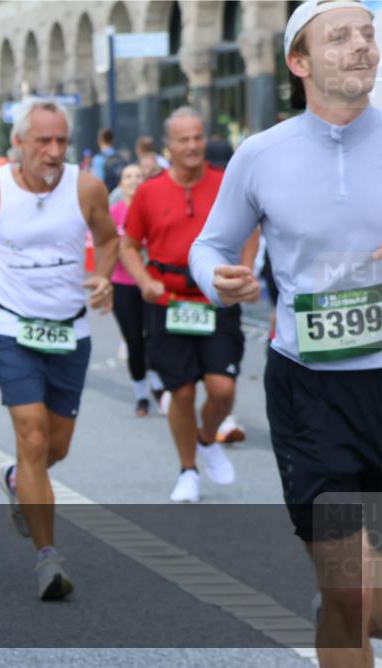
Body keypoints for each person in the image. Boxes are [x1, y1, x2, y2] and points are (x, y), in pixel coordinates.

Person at [190, 2, 381, 665]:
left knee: (362, 600)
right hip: (311, 392)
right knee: (356, 595)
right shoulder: (262, 154)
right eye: (340, 37)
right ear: (299, 62)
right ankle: (340, 603)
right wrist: (217, 277)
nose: (361, 45)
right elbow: (212, 244)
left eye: (368, 33)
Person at [0, 98, 118, 600]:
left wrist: (104, 276)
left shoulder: (86, 188)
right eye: (43, 141)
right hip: (12, 329)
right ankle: (48, 558)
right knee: (33, 434)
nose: (54, 151)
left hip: (70, 333)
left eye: (62, 140)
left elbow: (110, 239)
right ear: (18, 143)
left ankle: (16, 479)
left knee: (54, 448)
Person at [120, 106, 258, 503]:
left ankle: (206, 438)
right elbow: (129, 245)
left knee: (222, 389)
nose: (193, 146)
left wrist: (246, 272)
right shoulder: (149, 191)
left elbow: (251, 231)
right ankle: (188, 470)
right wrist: (144, 281)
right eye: (184, 140)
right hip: (168, 301)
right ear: (169, 145)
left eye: (198, 137)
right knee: (180, 393)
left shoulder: (226, 182)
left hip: (217, 298)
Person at [109, 163, 165, 415]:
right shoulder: (114, 213)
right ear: (120, 184)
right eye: (128, 176)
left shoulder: (154, 210)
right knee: (134, 341)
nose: (133, 180)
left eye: (138, 176)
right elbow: (107, 248)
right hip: (123, 285)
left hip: (152, 284)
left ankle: (158, 384)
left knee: (155, 338)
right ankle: (141, 394)